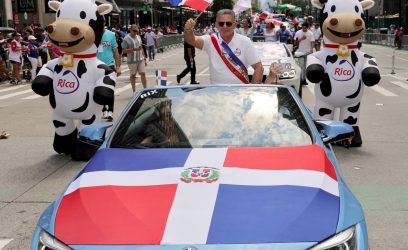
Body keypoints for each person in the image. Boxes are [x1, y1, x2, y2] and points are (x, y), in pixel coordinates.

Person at [184, 9, 263, 84]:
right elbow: (191, 40)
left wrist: (252, 89)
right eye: (221, 23)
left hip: (240, 92)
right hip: (217, 92)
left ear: (234, 25)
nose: (224, 26)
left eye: (228, 23)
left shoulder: (245, 42)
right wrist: (188, 30)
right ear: (216, 25)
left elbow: (258, 67)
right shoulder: (211, 40)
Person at [97, 27, 122, 121]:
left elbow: (116, 51)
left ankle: (110, 111)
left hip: (109, 65)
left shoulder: (111, 34)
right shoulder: (93, 34)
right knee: (99, 89)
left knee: (109, 89)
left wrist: (118, 66)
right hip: (97, 65)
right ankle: (104, 109)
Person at [122, 24, 148, 93]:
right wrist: (134, 49)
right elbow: (124, 50)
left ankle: (145, 89)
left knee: (143, 73)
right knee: (133, 75)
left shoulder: (138, 36)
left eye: (137, 31)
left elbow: (141, 48)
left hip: (140, 59)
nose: (136, 32)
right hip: (132, 60)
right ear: (130, 30)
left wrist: (144, 58)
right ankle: (134, 91)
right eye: (134, 31)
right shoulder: (126, 38)